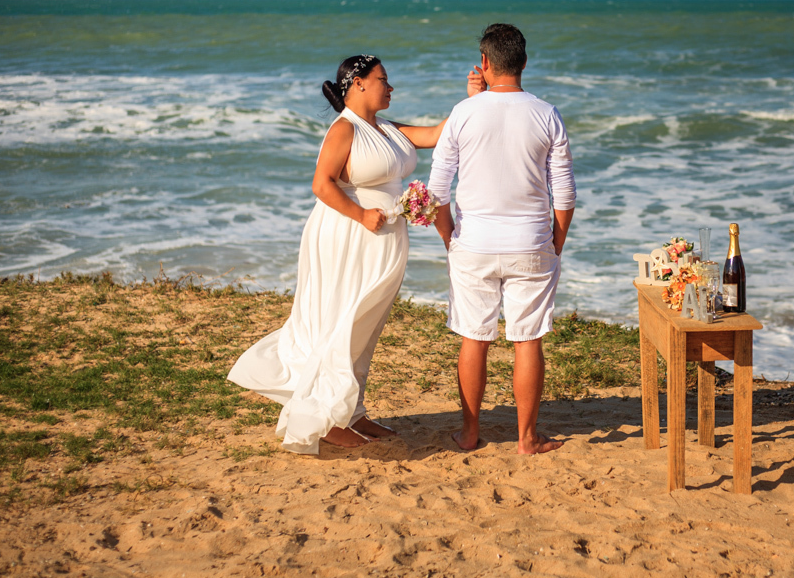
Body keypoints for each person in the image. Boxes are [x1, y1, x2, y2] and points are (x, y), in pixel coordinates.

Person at [228, 54, 481, 454]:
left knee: (366, 327)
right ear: (358, 83)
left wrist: (471, 99)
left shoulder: (386, 129)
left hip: (384, 241)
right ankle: (324, 419)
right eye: (383, 79)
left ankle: (351, 410)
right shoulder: (344, 129)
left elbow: (437, 134)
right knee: (341, 324)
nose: (390, 86)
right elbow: (322, 184)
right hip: (347, 237)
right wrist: (361, 214)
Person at [428, 24, 576, 455]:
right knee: (527, 339)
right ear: (525, 63)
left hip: (473, 243)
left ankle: (471, 433)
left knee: (475, 338)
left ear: (485, 63)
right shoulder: (547, 114)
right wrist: (556, 243)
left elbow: (438, 191)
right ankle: (527, 439)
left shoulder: (463, 113)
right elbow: (564, 195)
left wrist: (449, 238)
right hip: (531, 243)